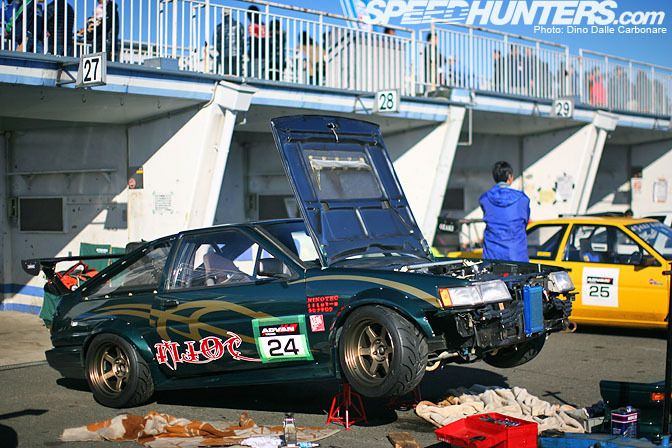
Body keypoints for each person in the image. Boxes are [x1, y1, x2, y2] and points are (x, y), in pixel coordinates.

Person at [479, 161, 531, 262]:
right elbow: (525, 222)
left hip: (492, 255)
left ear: (495, 177)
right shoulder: (522, 199)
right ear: (510, 177)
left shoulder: (485, 199)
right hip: (517, 255)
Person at [212, 9, 244, 76]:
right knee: (236, 76)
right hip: (233, 53)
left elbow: (215, 42)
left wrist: (220, 51)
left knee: (228, 76)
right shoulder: (238, 25)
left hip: (228, 54)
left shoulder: (219, 27)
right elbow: (242, 40)